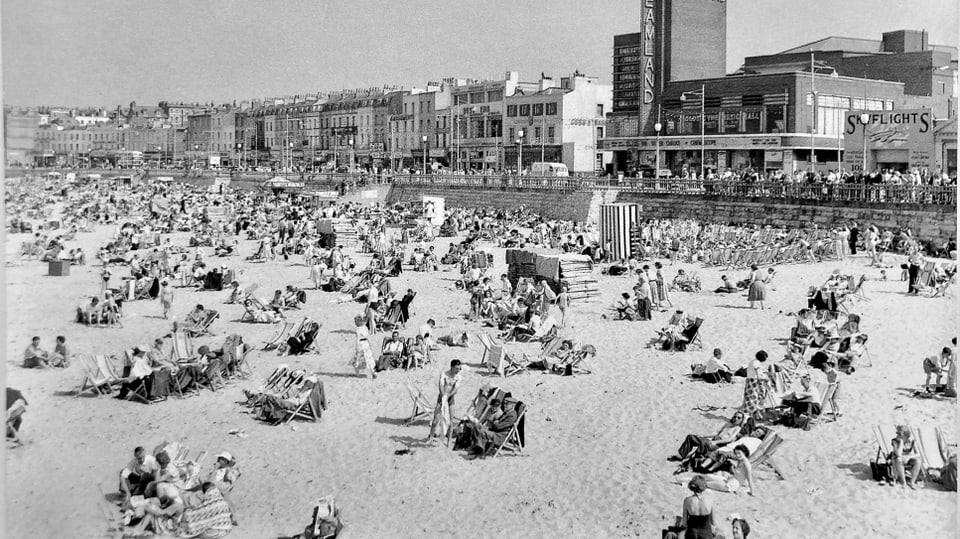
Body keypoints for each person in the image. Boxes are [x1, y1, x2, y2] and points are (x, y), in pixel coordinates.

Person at [428, 359, 463, 441]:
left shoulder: (459, 377)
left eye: (459, 368)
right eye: (456, 368)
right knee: (435, 421)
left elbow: (455, 390)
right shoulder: (444, 374)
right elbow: (440, 386)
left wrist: (448, 396)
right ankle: (431, 437)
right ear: (452, 367)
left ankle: (449, 441)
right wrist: (444, 396)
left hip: (450, 398)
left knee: (451, 421)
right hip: (442, 397)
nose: (458, 370)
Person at [891, 424, 922, 488]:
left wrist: (908, 457)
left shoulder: (912, 441)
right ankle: (903, 482)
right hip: (896, 460)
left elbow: (918, 454)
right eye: (898, 433)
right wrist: (901, 442)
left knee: (918, 461)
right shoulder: (895, 441)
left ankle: (912, 482)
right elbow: (898, 454)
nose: (897, 435)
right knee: (899, 459)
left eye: (899, 434)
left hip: (907, 459)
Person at [741, 350, 769, 416]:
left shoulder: (753, 361)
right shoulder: (757, 364)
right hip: (753, 382)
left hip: (750, 380)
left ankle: (753, 412)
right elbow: (759, 376)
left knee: (750, 397)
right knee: (753, 398)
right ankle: (754, 413)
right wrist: (765, 378)